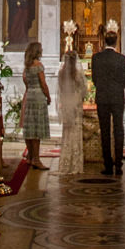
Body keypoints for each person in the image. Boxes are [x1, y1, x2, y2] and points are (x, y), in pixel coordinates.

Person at [91, 29, 125, 176]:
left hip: (102, 97)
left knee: (105, 131)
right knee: (118, 130)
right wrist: (117, 90)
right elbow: (124, 80)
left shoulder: (96, 58)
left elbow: (95, 79)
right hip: (117, 98)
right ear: (116, 41)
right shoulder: (121, 58)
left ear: (103, 41)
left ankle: (108, 165)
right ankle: (118, 165)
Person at [56, 50, 87, 176]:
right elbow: (83, 89)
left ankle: (65, 162)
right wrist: (79, 98)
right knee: (76, 133)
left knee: (66, 133)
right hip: (75, 105)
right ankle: (75, 164)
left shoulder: (61, 73)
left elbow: (60, 90)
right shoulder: (78, 74)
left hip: (66, 104)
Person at [22, 41, 50, 169]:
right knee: (37, 129)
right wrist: (48, 96)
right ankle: (36, 159)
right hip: (38, 97)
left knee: (29, 128)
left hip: (29, 96)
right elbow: (43, 83)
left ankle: (30, 157)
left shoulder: (26, 67)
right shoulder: (38, 65)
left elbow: (26, 82)